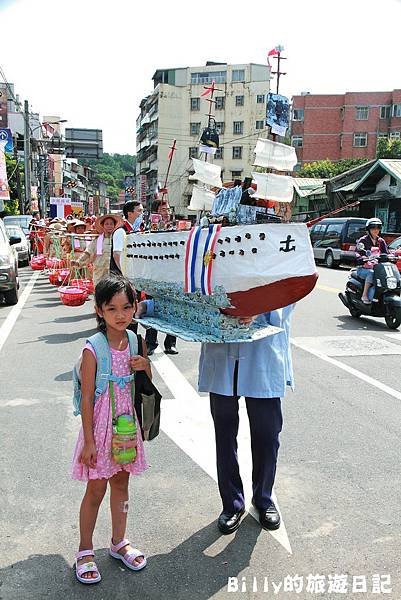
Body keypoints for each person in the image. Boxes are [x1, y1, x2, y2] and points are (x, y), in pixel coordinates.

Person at [71, 275, 150, 584]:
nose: (121, 315)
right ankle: (85, 549)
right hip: (100, 431)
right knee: (95, 489)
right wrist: (88, 441)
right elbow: (88, 397)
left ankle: (119, 541)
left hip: (126, 428)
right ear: (99, 311)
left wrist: (145, 365)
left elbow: (146, 380)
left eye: (127, 307)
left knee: (121, 485)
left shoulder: (135, 340)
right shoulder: (93, 349)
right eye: (112, 308)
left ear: (134, 308)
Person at [198, 307, 294, 534]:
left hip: (264, 353)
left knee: (267, 435)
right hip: (222, 349)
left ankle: (263, 498)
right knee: (224, 434)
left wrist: (260, 310)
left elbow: (291, 288)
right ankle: (232, 504)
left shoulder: (277, 268)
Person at [72, 214, 122, 286]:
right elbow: (88, 252)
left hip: (114, 272)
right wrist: (78, 262)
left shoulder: (117, 239)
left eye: (111, 224)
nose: (109, 226)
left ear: (114, 226)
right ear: (103, 226)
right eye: (107, 224)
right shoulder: (97, 240)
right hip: (99, 272)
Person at [356, 218, 388, 304]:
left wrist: (394, 256)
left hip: (377, 268)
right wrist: (363, 258)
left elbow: (386, 253)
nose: (376, 230)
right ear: (368, 229)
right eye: (373, 227)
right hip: (363, 269)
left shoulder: (381, 241)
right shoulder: (363, 240)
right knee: (371, 273)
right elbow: (358, 253)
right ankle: (364, 295)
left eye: (378, 228)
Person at [111, 201, 144, 275]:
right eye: (139, 211)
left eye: (142, 211)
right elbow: (116, 255)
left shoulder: (138, 230)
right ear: (130, 214)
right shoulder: (121, 231)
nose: (142, 214)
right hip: (121, 276)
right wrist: (125, 273)